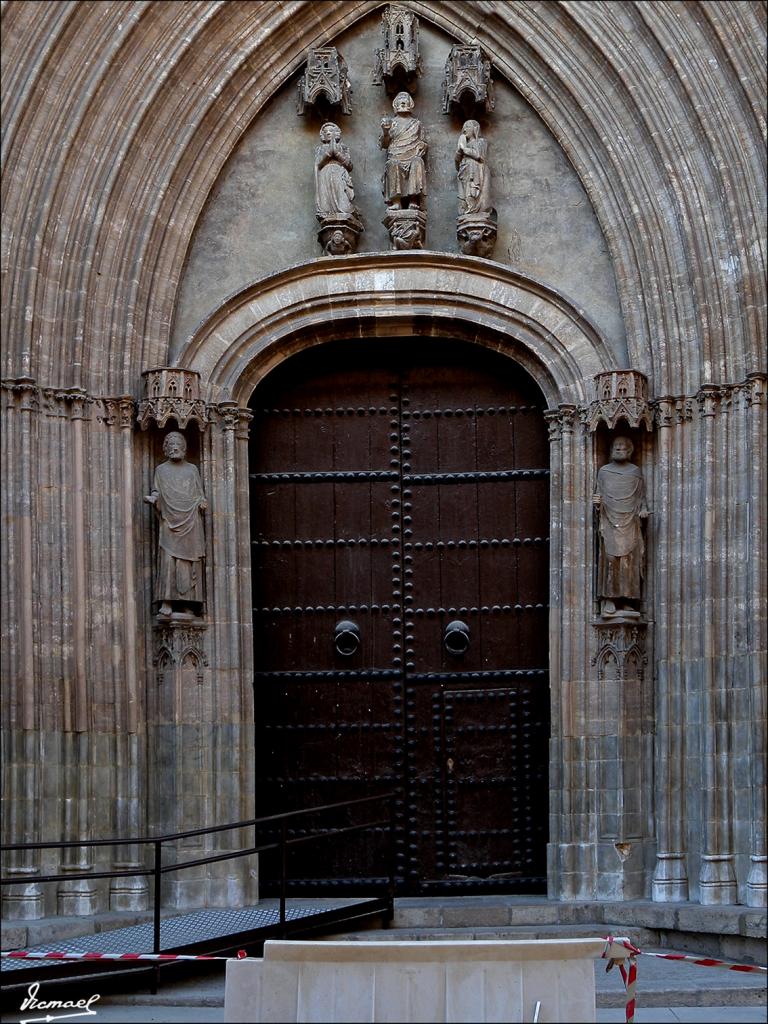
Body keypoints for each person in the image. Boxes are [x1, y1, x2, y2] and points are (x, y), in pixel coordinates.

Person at [145, 431, 207, 617]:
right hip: (170, 521)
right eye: (171, 443)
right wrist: (153, 499)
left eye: (178, 443)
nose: (174, 446)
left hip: (190, 521)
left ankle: (188, 601)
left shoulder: (192, 470)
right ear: (165, 448)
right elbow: (157, 491)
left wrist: (202, 502)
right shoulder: (161, 470)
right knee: (168, 560)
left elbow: (199, 494)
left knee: (188, 562)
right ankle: (167, 601)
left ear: (184, 447)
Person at [593, 436, 648, 618]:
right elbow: (598, 494)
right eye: (615, 445)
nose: (618, 448)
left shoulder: (635, 472)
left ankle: (626, 599)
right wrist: (597, 502)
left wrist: (644, 510)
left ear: (629, 450)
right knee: (610, 558)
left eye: (622, 446)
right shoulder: (604, 472)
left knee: (628, 561)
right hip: (609, 519)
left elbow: (641, 498)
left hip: (630, 520)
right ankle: (608, 599)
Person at [379, 91, 427, 209]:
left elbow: (423, 142)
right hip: (395, 156)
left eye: (405, 99)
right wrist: (385, 132)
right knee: (392, 164)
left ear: (410, 103)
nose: (403, 101)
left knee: (417, 162)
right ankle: (396, 202)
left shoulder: (417, 124)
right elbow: (384, 144)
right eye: (400, 99)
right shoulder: (391, 123)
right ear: (395, 104)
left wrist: (421, 147)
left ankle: (414, 200)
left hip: (412, 156)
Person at [314, 122, 358, 222]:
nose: (328, 133)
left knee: (342, 198)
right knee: (326, 203)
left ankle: (344, 212)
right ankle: (328, 213)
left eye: (331, 130)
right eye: (326, 131)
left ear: (337, 132)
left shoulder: (343, 147)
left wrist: (337, 153)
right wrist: (330, 152)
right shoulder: (320, 148)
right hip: (325, 174)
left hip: (339, 173)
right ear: (322, 135)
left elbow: (349, 166)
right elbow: (318, 164)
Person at [455, 119, 492, 217]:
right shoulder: (463, 145)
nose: (464, 130)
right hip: (465, 172)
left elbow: (479, 155)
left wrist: (464, 149)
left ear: (475, 129)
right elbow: (456, 164)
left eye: (467, 127)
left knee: (473, 192)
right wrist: (459, 152)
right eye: (464, 128)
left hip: (477, 172)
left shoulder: (481, 142)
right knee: (466, 194)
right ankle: (468, 209)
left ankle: (476, 209)